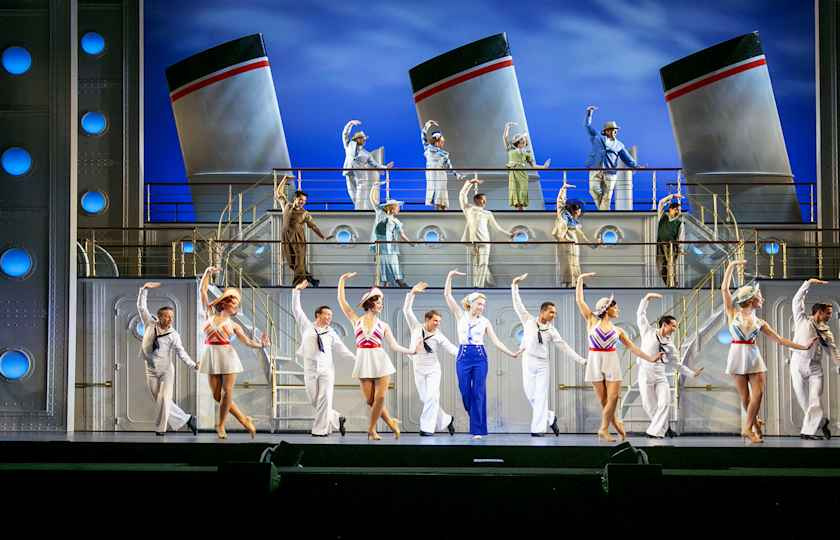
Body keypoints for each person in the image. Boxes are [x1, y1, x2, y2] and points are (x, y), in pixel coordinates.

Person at [720, 260, 814, 443]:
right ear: (751, 300)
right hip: (737, 355)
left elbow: (780, 340)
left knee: (758, 394)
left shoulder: (760, 323)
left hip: (753, 356)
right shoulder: (733, 313)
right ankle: (755, 425)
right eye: (759, 296)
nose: (762, 299)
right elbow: (724, 289)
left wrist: (804, 346)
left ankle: (747, 428)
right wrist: (732, 265)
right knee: (745, 398)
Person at [575, 272, 662, 442]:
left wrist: (650, 358)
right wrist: (580, 279)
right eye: (615, 307)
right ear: (607, 308)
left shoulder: (618, 330)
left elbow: (633, 347)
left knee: (614, 397)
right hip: (594, 360)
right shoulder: (591, 320)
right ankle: (616, 424)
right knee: (604, 400)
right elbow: (579, 300)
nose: (618, 310)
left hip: (611, 360)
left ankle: (603, 428)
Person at [337, 272, 417, 440]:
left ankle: (371, 430)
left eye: (381, 302)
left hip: (380, 360)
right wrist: (342, 280)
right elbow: (342, 302)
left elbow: (394, 345)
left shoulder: (384, 325)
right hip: (363, 360)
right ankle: (391, 423)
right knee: (371, 400)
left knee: (380, 398)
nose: (381, 305)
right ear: (370, 303)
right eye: (379, 302)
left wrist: (411, 351)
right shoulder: (356, 320)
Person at [444, 269, 521, 439]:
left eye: (483, 305)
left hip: (480, 357)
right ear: (471, 303)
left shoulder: (485, 322)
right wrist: (450, 276)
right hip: (463, 356)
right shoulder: (460, 315)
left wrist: (512, 353)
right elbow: (447, 296)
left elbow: (496, 341)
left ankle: (478, 430)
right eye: (479, 304)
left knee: (479, 392)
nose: (482, 307)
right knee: (465, 390)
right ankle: (474, 415)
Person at [199, 266, 270, 439]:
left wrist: (261, 345)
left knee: (227, 392)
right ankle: (244, 419)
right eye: (234, 303)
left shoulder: (234, 325)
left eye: (237, 305)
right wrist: (207, 272)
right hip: (210, 354)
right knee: (217, 396)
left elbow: (247, 341)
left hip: (227, 355)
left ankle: (221, 425)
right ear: (224, 303)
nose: (236, 306)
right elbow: (203, 290)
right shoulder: (209, 313)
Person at [511, 273, 586, 436]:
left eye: (555, 313)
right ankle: (550, 417)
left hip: (543, 364)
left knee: (541, 396)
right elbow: (518, 305)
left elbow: (564, 347)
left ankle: (538, 429)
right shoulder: (528, 320)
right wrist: (514, 285)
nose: (554, 315)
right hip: (528, 360)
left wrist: (582, 361)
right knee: (530, 395)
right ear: (542, 312)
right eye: (551, 312)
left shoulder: (552, 330)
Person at [293, 279, 356, 437]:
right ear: (318, 315)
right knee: (314, 400)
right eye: (326, 314)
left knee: (325, 399)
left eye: (330, 315)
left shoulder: (331, 332)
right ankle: (337, 418)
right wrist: (297, 291)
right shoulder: (307, 326)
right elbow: (297, 310)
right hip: (310, 368)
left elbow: (342, 349)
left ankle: (320, 431)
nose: (329, 317)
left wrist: (357, 359)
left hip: (327, 369)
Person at [635, 292, 703, 439]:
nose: (674, 329)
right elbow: (640, 315)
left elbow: (677, 365)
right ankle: (665, 428)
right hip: (645, 374)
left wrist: (692, 373)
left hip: (660, 376)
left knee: (665, 403)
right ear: (664, 325)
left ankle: (654, 433)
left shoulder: (670, 346)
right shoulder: (648, 332)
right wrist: (646, 299)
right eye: (673, 326)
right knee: (649, 406)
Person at [136, 282, 199, 436]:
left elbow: (181, 352)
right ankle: (188, 419)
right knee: (160, 400)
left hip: (166, 371)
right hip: (150, 369)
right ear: (159, 316)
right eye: (167, 316)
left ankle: (160, 430)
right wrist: (144, 289)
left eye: (172, 317)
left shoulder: (174, 335)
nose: (170, 319)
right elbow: (141, 307)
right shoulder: (150, 323)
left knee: (164, 399)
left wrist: (193, 365)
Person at [403, 281, 458, 436]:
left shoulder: (438, 335)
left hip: (433, 370)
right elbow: (406, 310)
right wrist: (412, 292)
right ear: (427, 319)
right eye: (435, 321)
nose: (437, 324)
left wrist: (465, 353)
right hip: (418, 368)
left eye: (439, 321)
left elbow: (451, 348)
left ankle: (426, 428)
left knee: (432, 397)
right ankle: (446, 419)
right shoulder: (416, 327)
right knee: (425, 398)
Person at [790, 278, 838, 440]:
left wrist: (839, 365)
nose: (830, 316)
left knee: (814, 399)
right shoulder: (802, 320)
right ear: (819, 312)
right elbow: (797, 301)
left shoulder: (827, 332)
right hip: (798, 363)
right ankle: (822, 422)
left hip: (815, 368)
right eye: (828, 313)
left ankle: (807, 433)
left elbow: (833, 351)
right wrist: (808, 283)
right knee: (805, 402)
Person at [275, 175, 333, 287]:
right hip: (286, 238)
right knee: (292, 263)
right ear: (295, 198)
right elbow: (278, 193)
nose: (303, 202)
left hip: (298, 239)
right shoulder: (286, 206)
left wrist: (323, 237)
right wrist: (284, 179)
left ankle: (297, 284)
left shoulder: (305, 213)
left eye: (305, 200)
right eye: (301, 199)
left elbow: (313, 226)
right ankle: (311, 279)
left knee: (299, 262)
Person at [459, 177, 514, 288]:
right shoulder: (469, 209)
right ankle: (486, 282)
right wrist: (470, 183)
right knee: (476, 265)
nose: (484, 201)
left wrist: (509, 235)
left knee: (483, 264)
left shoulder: (488, 213)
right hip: (474, 242)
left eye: (485, 200)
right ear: (476, 200)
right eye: (482, 199)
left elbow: (497, 228)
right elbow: (462, 195)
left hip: (485, 242)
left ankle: (479, 286)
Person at [584, 105, 641, 211]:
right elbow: (588, 126)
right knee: (593, 190)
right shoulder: (597, 138)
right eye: (611, 130)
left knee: (607, 197)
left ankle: (603, 214)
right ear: (606, 131)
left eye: (615, 130)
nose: (614, 131)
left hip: (610, 173)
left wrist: (636, 166)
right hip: (595, 169)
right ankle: (603, 210)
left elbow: (627, 159)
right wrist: (589, 113)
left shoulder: (619, 145)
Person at [341, 119, 393, 210]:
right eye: (361, 138)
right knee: (351, 192)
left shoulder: (366, 154)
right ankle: (358, 207)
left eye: (363, 139)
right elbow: (344, 134)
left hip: (361, 176)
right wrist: (350, 124)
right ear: (356, 139)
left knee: (360, 193)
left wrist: (385, 167)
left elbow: (375, 164)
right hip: (348, 171)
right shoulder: (349, 145)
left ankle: (359, 209)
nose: (363, 140)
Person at [369, 185, 411, 288]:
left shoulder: (396, 221)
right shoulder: (381, 214)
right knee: (382, 264)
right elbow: (373, 200)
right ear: (392, 208)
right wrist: (373, 188)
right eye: (397, 207)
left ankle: (398, 281)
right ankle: (384, 283)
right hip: (381, 245)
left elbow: (402, 234)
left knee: (394, 263)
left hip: (391, 246)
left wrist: (411, 243)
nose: (399, 208)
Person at [552, 179, 591, 287]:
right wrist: (563, 189)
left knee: (575, 262)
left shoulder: (574, 222)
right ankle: (571, 283)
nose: (580, 212)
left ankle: (576, 282)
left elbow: (582, 235)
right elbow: (560, 203)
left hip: (573, 242)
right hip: (566, 242)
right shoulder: (563, 216)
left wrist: (593, 244)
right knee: (568, 263)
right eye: (579, 210)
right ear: (575, 211)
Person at [503, 122, 550, 210]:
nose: (523, 142)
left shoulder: (527, 153)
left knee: (523, 190)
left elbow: (533, 166)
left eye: (524, 141)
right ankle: (518, 207)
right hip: (513, 172)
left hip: (522, 173)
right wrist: (507, 127)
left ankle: (522, 207)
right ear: (517, 142)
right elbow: (505, 138)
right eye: (521, 140)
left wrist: (544, 167)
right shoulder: (511, 149)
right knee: (514, 189)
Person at [422, 120, 464, 210]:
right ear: (437, 142)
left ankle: (443, 209)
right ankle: (438, 210)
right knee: (432, 191)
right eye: (442, 142)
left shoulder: (444, 154)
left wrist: (457, 175)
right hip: (431, 174)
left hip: (440, 175)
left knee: (441, 193)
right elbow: (423, 134)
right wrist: (429, 124)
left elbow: (449, 166)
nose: (443, 143)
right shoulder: (428, 148)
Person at [656, 193, 683, 287]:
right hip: (660, 245)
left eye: (678, 210)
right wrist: (673, 196)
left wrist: (680, 249)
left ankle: (671, 284)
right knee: (662, 265)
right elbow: (661, 203)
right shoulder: (662, 217)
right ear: (670, 209)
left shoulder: (679, 223)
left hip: (671, 246)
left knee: (671, 264)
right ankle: (667, 283)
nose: (677, 212)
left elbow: (680, 237)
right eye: (675, 209)